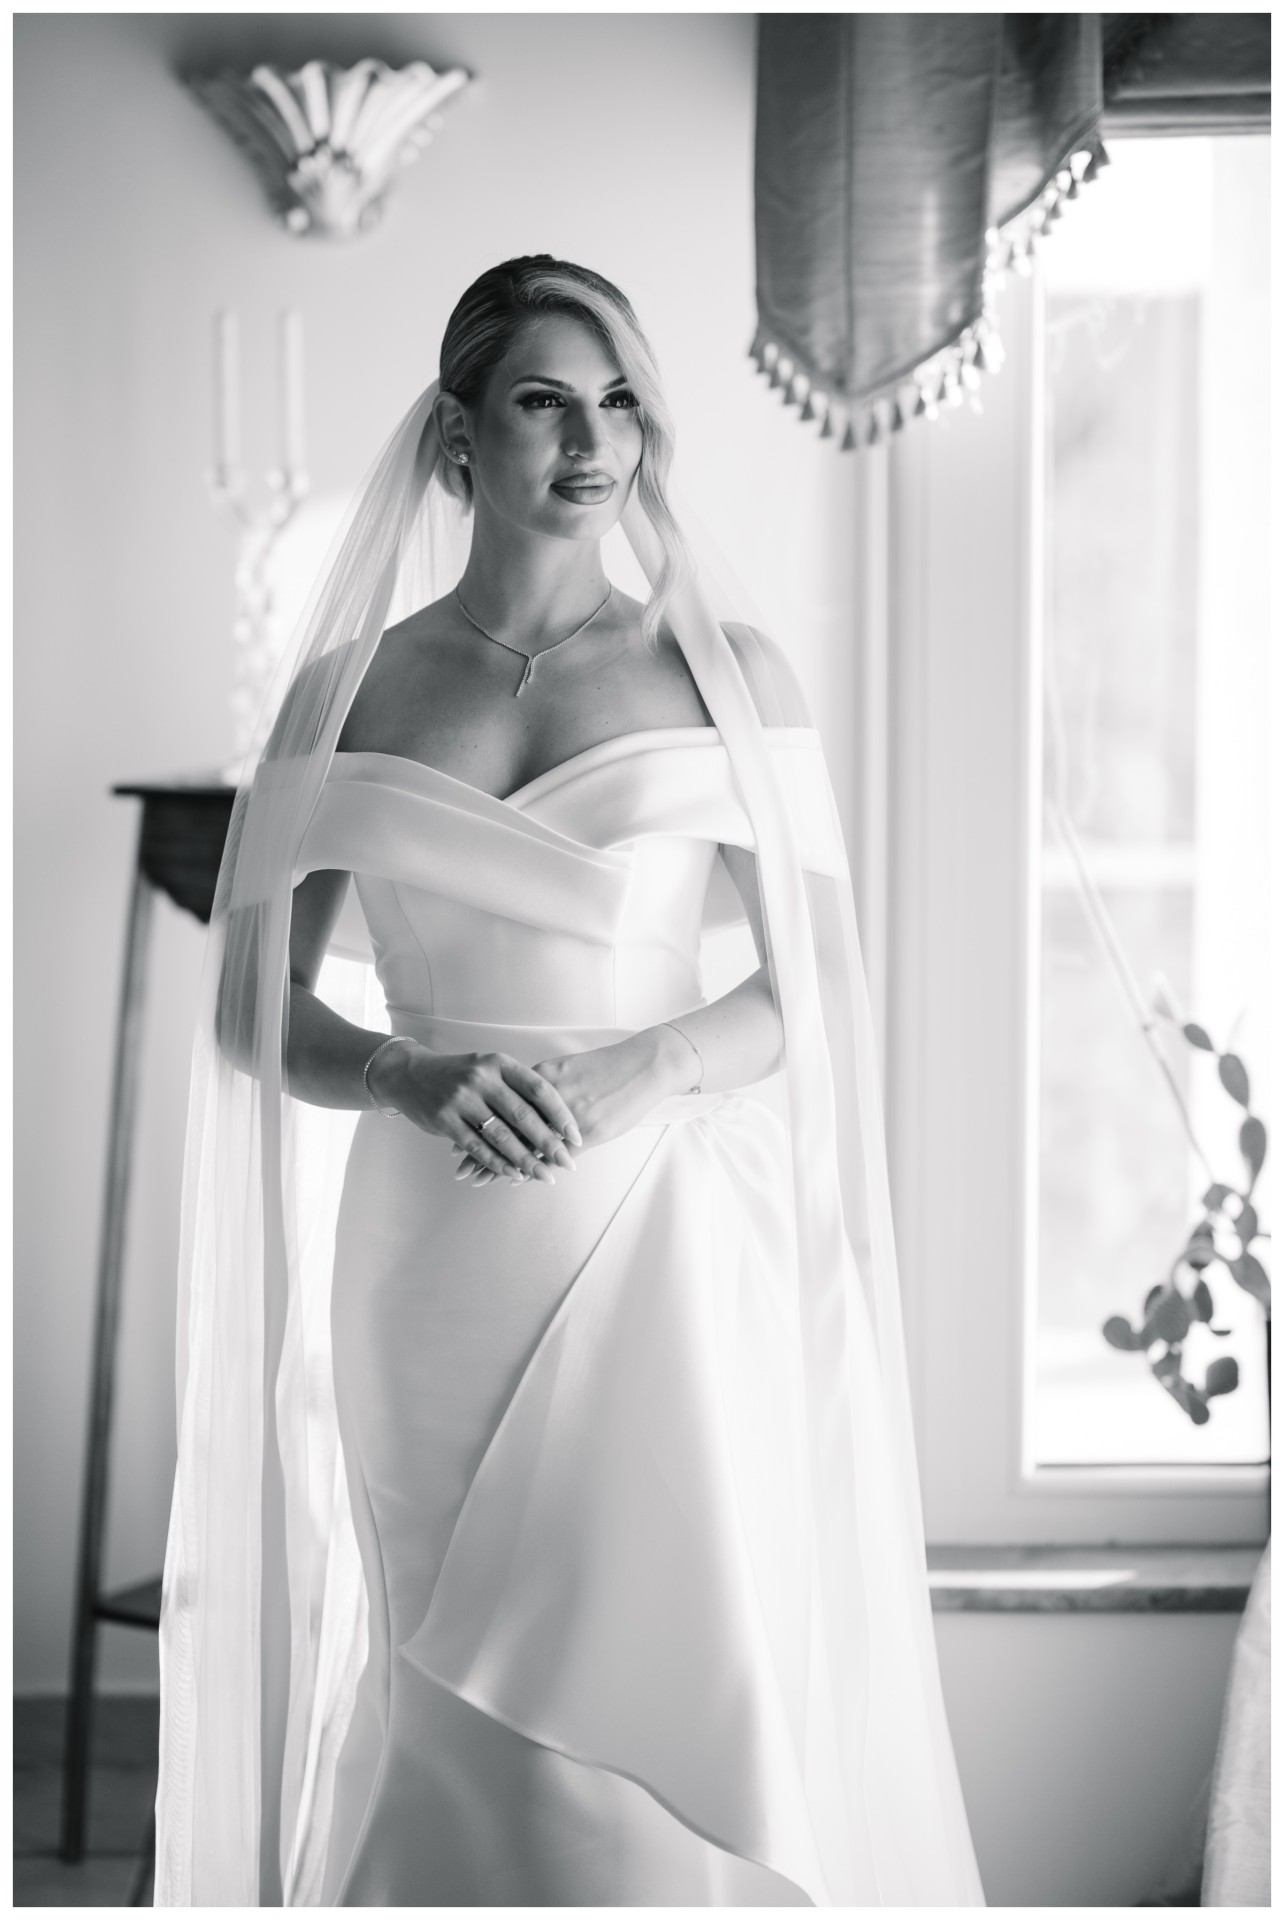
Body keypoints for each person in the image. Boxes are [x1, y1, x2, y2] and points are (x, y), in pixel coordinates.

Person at [155, 257, 986, 1907]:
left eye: (619, 402)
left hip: (656, 1239)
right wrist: (400, 1070)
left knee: (648, 1675)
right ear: (458, 436)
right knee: (447, 1688)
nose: (594, 441)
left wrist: (639, 1074)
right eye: (545, 400)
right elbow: (252, 1010)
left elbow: (819, 990)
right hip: (427, 1255)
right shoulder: (350, 690)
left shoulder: (728, 672)